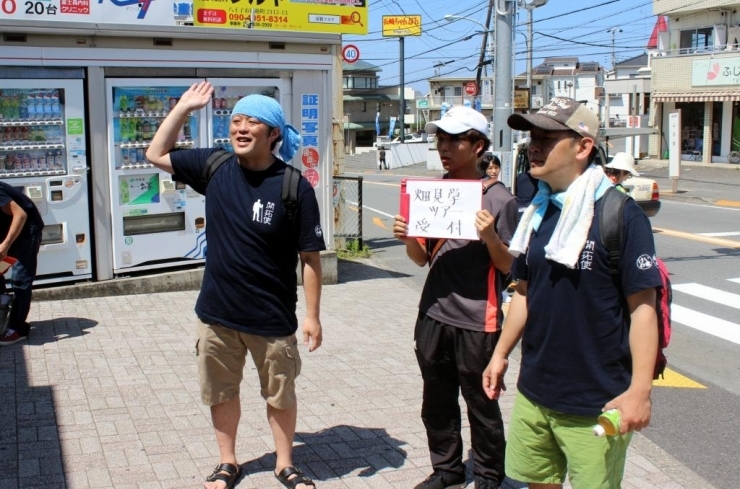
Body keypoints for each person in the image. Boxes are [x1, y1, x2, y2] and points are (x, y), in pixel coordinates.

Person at [146, 82, 325, 489]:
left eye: (253, 123)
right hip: (217, 313)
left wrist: (312, 316)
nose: (241, 129)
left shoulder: (294, 186)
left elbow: (310, 257)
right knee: (221, 391)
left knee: (279, 394)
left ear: (274, 134)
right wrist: (185, 108)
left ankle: (284, 464)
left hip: (271, 315)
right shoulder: (216, 166)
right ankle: (228, 462)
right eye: (236, 121)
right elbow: (155, 154)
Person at [482, 97, 662, 489]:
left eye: (547, 137)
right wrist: (499, 356)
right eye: (532, 137)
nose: (534, 146)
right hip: (535, 391)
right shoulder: (539, 212)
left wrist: (640, 391)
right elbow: (525, 293)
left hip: (595, 401)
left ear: (582, 147)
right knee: (538, 484)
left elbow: (644, 308)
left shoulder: (620, 214)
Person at [393, 106, 518, 489]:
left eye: (454, 140)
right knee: (437, 400)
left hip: (479, 320)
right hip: (433, 312)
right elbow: (420, 260)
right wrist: (409, 237)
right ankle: (446, 469)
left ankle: (487, 475)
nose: (444, 147)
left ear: (478, 145)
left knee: (481, 404)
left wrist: (491, 238)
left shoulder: (500, 200)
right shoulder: (434, 192)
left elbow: (509, 267)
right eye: (440, 139)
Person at [0, 181, 44, 346]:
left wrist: (5, 245)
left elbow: (20, 215)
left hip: (26, 232)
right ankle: (3, 315)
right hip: (5, 232)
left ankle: (18, 328)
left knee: (20, 279)